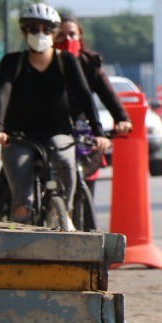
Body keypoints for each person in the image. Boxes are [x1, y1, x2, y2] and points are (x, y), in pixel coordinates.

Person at [0, 3, 109, 226]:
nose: (40, 34)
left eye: (47, 29)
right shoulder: (12, 62)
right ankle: (21, 233)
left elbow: (85, 95)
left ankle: (65, 211)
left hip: (58, 134)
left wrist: (98, 132)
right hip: (19, 138)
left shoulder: (66, 61)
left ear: (54, 33)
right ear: (24, 32)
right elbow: (3, 93)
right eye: (33, 29)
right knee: (23, 200)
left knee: (66, 163)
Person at [55, 16, 132, 196]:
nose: (67, 40)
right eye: (61, 36)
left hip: (82, 127)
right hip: (53, 127)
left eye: (72, 35)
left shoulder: (89, 63)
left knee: (85, 181)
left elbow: (108, 95)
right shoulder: (44, 61)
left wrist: (122, 119)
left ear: (80, 38)